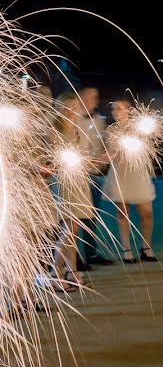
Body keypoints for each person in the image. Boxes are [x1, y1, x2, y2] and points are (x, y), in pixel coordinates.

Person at [103, 100, 158, 263]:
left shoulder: (138, 129)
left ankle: (146, 247)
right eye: (113, 109)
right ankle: (126, 249)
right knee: (123, 212)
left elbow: (148, 147)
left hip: (138, 172)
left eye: (119, 108)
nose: (116, 112)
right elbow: (110, 153)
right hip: (121, 172)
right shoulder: (111, 130)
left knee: (146, 212)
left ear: (129, 110)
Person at [53, 92, 96, 288]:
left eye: (74, 107)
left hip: (79, 184)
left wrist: (100, 160)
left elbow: (85, 158)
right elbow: (54, 158)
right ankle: (55, 271)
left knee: (73, 229)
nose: (71, 111)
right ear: (61, 108)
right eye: (67, 107)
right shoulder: (54, 129)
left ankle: (72, 272)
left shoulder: (79, 130)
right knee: (70, 229)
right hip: (64, 184)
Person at [77, 86, 113, 268]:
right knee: (76, 218)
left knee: (93, 217)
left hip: (96, 174)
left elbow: (105, 143)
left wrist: (108, 156)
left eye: (97, 97)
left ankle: (91, 253)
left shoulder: (100, 121)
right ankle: (74, 259)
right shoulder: (73, 119)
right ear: (82, 98)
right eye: (92, 97)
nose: (96, 101)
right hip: (78, 176)